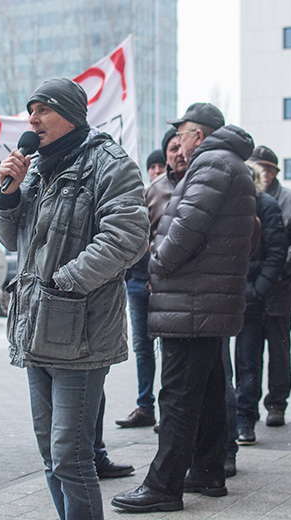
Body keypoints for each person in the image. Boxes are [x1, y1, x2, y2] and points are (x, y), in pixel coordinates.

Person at [0, 78, 149, 520]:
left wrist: (64, 282)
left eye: (43, 110)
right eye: (30, 111)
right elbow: (11, 240)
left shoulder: (109, 163)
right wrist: (9, 193)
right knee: (49, 453)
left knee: (70, 456)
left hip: (80, 329)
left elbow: (128, 238)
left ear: (71, 115)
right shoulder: (37, 167)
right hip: (34, 325)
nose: (32, 120)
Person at [112, 102, 256, 513]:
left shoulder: (212, 165)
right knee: (209, 391)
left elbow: (184, 230)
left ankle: (163, 486)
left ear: (202, 134)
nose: (179, 140)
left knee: (176, 396)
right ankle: (207, 472)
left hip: (191, 301)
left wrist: (155, 262)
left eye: (185, 131)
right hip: (204, 301)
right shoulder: (230, 164)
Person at [116, 128, 187, 431]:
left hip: (171, 286)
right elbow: (135, 238)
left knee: (172, 349)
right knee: (143, 348)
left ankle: (170, 411)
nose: (160, 168)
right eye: (156, 164)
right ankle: (146, 407)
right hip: (138, 283)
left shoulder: (196, 188)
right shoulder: (151, 192)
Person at [234, 161, 287, 446]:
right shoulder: (230, 202)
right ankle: (239, 418)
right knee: (238, 362)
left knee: (248, 361)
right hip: (231, 293)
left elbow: (277, 253)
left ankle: (245, 421)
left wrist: (256, 290)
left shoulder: (265, 205)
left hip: (252, 296)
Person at [251, 146, 291, 429]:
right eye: (259, 167)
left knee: (280, 348)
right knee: (249, 350)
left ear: (275, 172)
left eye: (268, 168)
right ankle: (249, 404)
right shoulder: (246, 197)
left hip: (282, 287)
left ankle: (277, 403)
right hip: (254, 286)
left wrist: (279, 269)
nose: (264, 174)